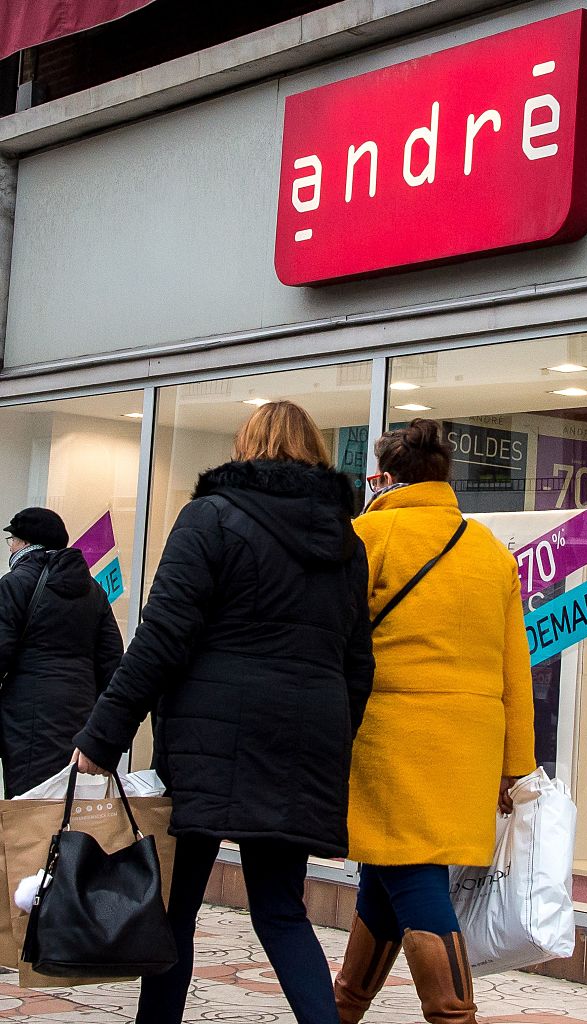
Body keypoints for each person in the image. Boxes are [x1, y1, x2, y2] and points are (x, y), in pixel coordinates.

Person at [73, 400, 375, 1024]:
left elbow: (160, 638)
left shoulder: (210, 517)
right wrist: (329, 737)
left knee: (175, 908)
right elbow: (356, 665)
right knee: (281, 910)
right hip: (303, 741)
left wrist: (103, 737)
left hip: (210, 736)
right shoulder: (346, 543)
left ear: (245, 446)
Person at [335, 419, 536, 1024]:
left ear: (387, 479)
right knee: (390, 873)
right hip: (468, 746)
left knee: (414, 877)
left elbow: (338, 639)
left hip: (391, 738)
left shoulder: (366, 536)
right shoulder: (489, 552)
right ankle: (343, 1006)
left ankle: (454, 1015)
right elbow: (514, 668)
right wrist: (515, 766)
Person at [0, 507, 123, 797]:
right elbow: (112, 661)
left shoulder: (15, 584)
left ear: (26, 543)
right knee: (70, 805)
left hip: (25, 719)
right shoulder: (93, 591)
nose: (11, 546)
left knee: (29, 808)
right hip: (81, 716)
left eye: (13, 540)